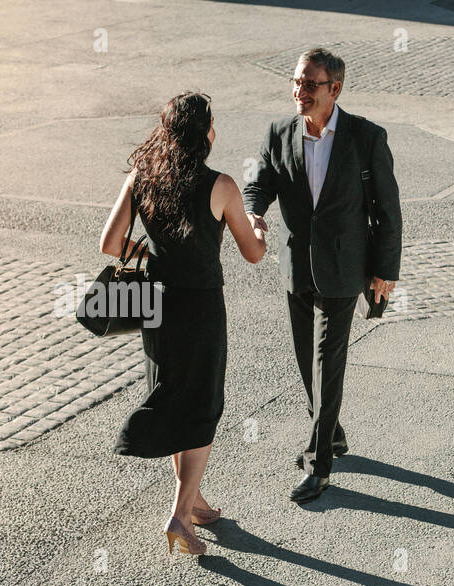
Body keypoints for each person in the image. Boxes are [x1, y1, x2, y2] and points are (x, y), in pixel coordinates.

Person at [100, 92, 267, 556]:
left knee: (174, 397)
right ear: (205, 132)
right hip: (200, 308)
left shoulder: (143, 177)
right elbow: (252, 254)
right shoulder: (222, 185)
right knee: (202, 407)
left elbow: (111, 243)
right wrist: (257, 227)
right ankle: (179, 513)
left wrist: (152, 257)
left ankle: (193, 503)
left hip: (156, 304)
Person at [243, 48, 402, 504]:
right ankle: (331, 433)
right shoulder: (279, 132)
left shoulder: (365, 138)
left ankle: (320, 464)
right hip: (296, 266)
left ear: (335, 89)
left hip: (343, 267)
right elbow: (259, 183)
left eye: (309, 84)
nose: (299, 92)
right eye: (296, 82)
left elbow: (387, 211)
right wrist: (254, 214)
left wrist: (384, 272)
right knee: (304, 361)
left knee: (328, 363)